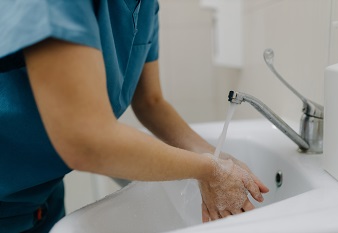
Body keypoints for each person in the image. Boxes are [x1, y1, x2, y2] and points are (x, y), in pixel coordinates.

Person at [0, 1, 269, 232]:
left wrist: (214, 155)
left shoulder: (146, 5)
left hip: (42, 199)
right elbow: (88, 141)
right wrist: (208, 170)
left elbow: (151, 102)